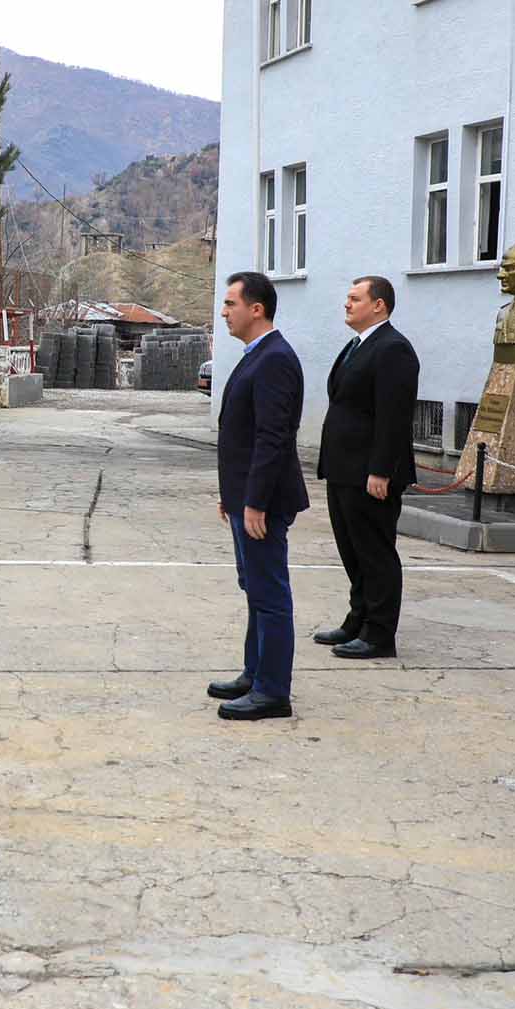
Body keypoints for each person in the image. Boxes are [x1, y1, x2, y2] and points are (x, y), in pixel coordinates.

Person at [210, 271, 307, 722]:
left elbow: (272, 437)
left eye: (231, 304)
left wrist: (255, 501)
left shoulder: (274, 359)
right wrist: (232, 495)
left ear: (257, 308)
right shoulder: (257, 355)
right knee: (254, 589)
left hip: (262, 502)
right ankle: (255, 672)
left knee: (269, 593)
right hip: (244, 497)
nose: (224, 312)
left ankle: (272, 691)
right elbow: (242, 435)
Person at [315, 275, 419, 660]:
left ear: (379, 305)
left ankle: (379, 633)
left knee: (375, 552)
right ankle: (358, 618)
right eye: (347, 297)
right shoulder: (358, 345)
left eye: (355, 298)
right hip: (344, 468)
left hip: (370, 473)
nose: (347, 304)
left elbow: (394, 417)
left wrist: (381, 470)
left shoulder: (393, 349)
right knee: (352, 549)